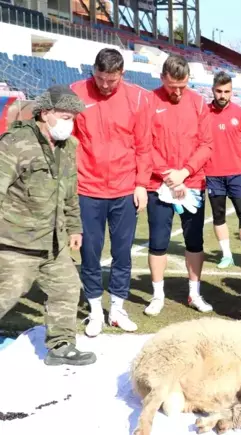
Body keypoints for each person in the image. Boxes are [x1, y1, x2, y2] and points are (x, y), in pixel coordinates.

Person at [0, 85, 96, 366]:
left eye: (73, 118)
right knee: (5, 294)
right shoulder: (17, 142)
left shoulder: (68, 147)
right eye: (65, 116)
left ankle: (61, 346)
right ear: (45, 113)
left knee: (66, 288)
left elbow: (70, 192)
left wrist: (75, 227)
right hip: (17, 241)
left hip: (53, 241)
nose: (70, 123)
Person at [70, 48, 152, 337]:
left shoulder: (138, 98)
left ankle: (117, 308)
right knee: (90, 253)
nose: (105, 85)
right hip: (87, 188)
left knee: (122, 253)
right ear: (93, 70)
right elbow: (69, 141)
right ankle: (94, 311)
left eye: (111, 80)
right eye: (100, 78)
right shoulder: (75, 93)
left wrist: (141, 183)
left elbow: (143, 145)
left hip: (124, 189)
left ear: (122, 75)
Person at [143, 54, 214, 316]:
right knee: (158, 241)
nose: (177, 91)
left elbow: (206, 144)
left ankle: (194, 293)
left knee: (194, 241)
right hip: (158, 184)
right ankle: (157, 295)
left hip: (192, 183)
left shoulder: (198, 103)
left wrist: (184, 172)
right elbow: (144, 143)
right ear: (162, 78)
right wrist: (166, 174)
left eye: (182, 86)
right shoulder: (149, 101)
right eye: (173, 86)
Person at [204, 71, 241, 272]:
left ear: (232, 92)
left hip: (237, 174)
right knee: (218, 216)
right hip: (212, 175)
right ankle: (226, 255)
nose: (222, 95)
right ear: (213, 90)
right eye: (219, 91)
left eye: (226, 91)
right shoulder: (204, 113)